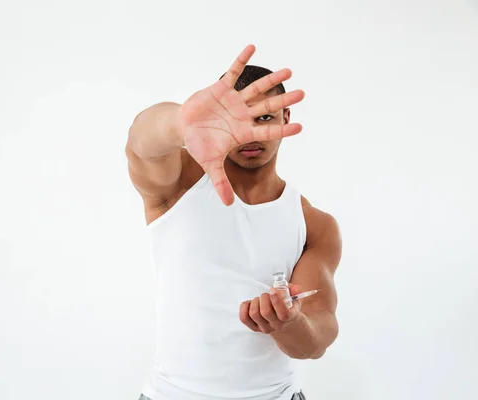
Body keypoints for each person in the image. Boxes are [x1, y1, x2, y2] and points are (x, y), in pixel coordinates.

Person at [125, 44, 342, 400]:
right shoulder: (180, 183)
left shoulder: (314, 224)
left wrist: (290, 324)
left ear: (285, 118)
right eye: (238, 120)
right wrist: (179, 122)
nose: (250, 133)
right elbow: (141, 143)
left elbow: (316, 340)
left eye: (264, 118)